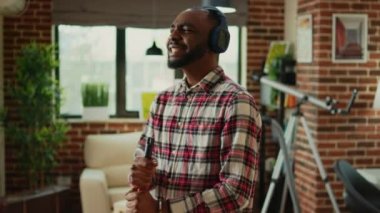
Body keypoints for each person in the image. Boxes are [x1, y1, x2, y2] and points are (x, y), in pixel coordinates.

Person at [126, 6, 262, 213]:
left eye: (186, 30)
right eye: (172, 29)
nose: (173, 36)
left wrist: (162, 209)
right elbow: (143, 160)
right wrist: (141, 173)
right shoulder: (163, 101)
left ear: (217, 41)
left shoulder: (236, 102)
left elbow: (236, 192)